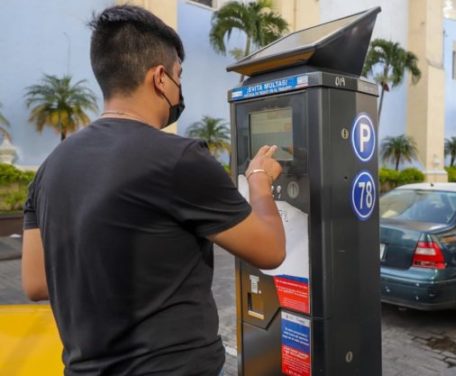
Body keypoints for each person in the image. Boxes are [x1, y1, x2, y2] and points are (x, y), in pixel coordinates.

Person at [20, 5, 285, 375]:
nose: (179, 87)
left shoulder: (49, 169)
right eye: (179, 75)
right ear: (160, 78)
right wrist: (258, 180)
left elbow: (36, 282)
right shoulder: (179, 159)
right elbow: (270, 250)